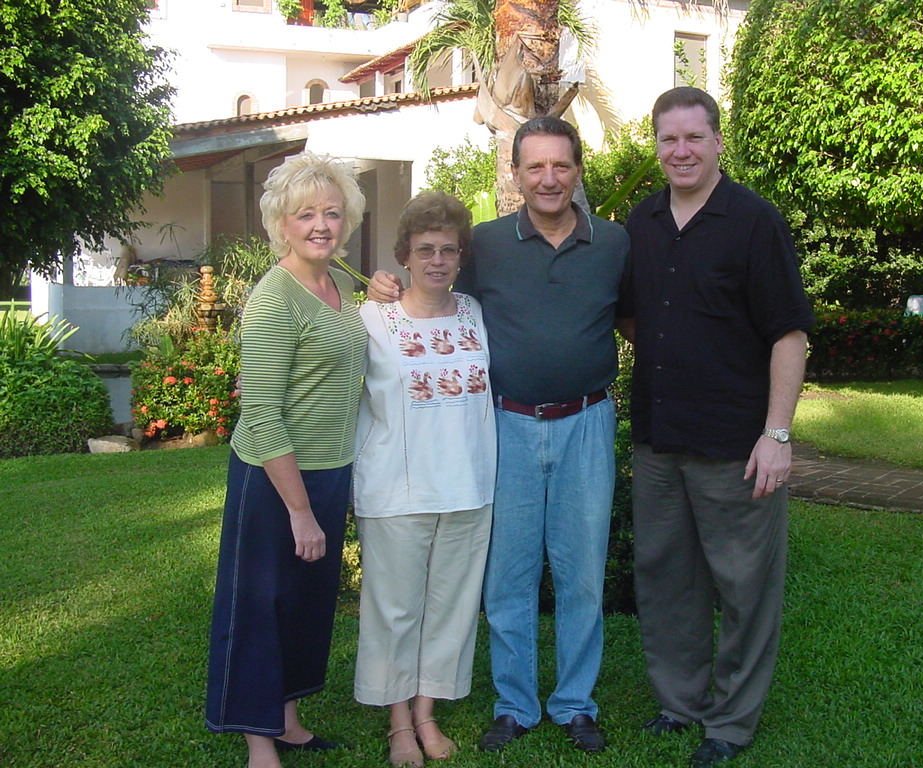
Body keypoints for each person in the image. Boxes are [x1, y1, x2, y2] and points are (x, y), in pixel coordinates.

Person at [369, 117, 629, 754]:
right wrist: (387, 285)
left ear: (577, 171)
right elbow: (433, 281)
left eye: (560, 166)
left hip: (588, 422)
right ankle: (514, 702)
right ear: (515, 174)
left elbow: (640, 316)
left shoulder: (616, 243)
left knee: (581, 573)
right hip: (505, 423)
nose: (548, 178)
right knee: (508, 575)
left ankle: (574, 703)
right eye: (534, 166)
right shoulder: (484, 242)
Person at [618, 87, 815, 768]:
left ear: (718, 142)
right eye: (668, 139)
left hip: (737, 443)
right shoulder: (640, 222)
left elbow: (789, 334)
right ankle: (680, 703)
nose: (680, 151)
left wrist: (778, 433)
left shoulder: (754, 221)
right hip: (659, 437)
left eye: (693, 138)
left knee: (744, 584)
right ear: (656, 145)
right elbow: (630, 317)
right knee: (666, 577)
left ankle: (729, 723)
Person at [205, 152, 367, 768]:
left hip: (329, 469)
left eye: (331, 212)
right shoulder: (274, 299)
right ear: (282, 224)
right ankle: (256, 739)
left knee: (306, 600)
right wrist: (299, 512)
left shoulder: (338, 283)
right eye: (306, 215)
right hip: (276, 478)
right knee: (262, 602)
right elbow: (262, 415)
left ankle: (290, 720)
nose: (320, 224)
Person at [352, 191, 496, 768]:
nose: (437, 260)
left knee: (451, 607)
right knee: (395, 609)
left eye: (448, 250)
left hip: (469, 484)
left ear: (461, 256)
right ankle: (397, 723)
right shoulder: (370, 319)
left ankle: (427, 711)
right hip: (396, 489)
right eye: (424, 250)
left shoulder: (475, 313)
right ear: (404, 257)